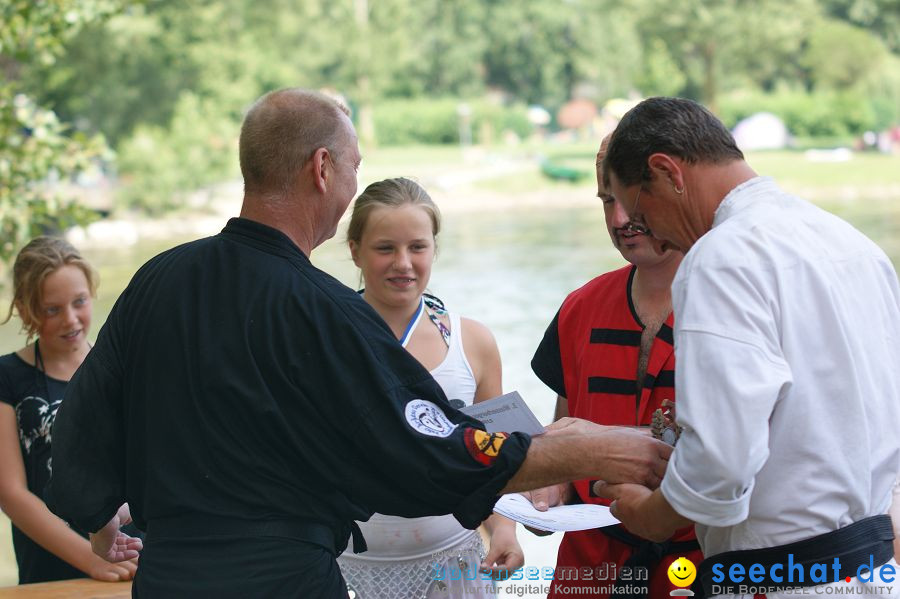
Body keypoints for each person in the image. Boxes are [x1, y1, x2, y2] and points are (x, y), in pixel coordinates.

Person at [45, 88, 672, 598]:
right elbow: (426, 448)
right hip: (281, 578)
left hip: (170, 576)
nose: (351, 187)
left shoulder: (159, 278)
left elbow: (83, 417)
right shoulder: (322, 309)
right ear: (322, 169)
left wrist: (98, 517)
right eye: (354, 168)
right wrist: (592, 449)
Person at [597, 97, 900, 598]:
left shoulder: (722, 256)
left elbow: (722, 460)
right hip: (872, 571)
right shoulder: (854, 245)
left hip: (779, 576)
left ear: (667, 170)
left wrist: (651, 515)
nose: (656, 236)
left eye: (644, 211)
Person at [528, 136, 700, 599]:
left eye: (630, 201)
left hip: (704, 566)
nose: (620, 219)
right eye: (607, 201)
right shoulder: (579, 308)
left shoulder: (729, 307)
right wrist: (546, 490)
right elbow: (564, 428)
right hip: (588, 570)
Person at [338, 177, 523, 598]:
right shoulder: (328, 341)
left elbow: (499, 459)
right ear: (355, 251)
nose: (403, 262)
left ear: (433, 249)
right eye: (385, 248)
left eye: (417, 247)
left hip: (452, 563)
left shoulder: (472, 342)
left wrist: (506, 532)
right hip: (349, 568)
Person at [0, 237, 138, 584]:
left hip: (132, 555)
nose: (71, 319)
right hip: (53, 570)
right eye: (52, 309)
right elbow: (10, 492)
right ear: (25, 307)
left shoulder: (123, 369)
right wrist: (91, 560)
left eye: (79, 301)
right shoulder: (7, 377)